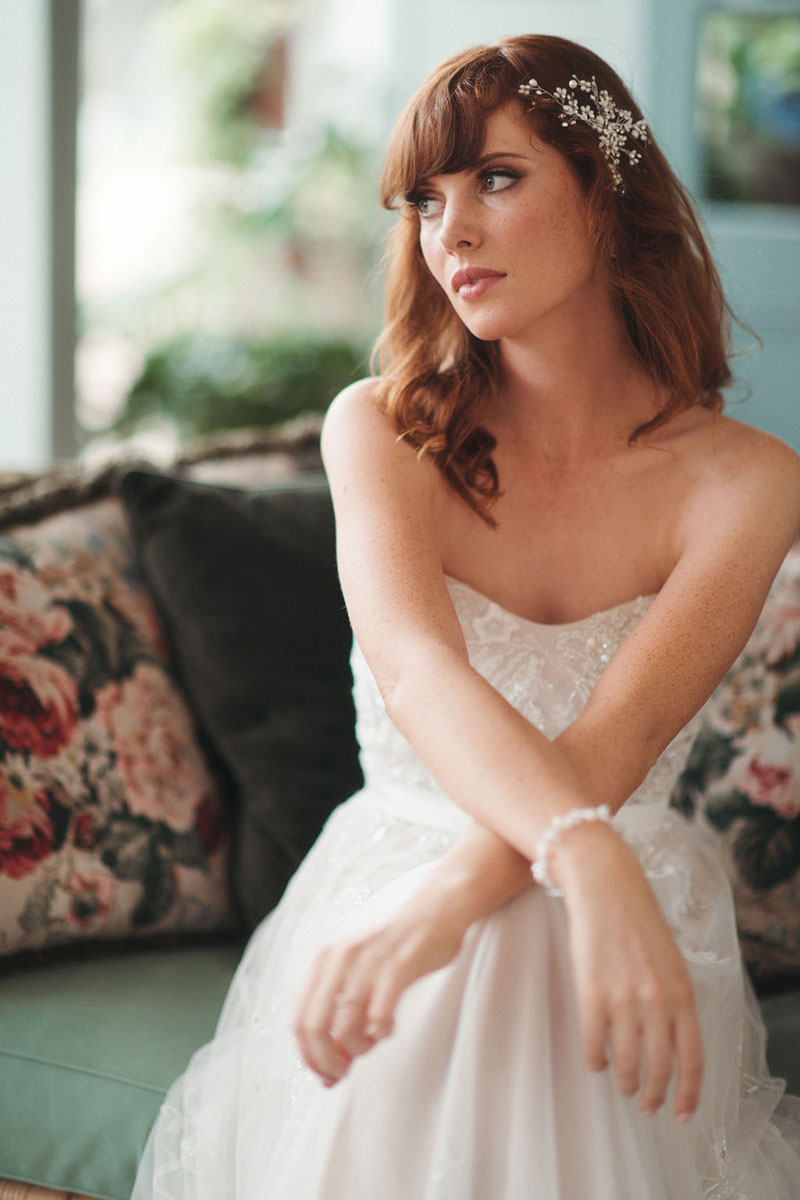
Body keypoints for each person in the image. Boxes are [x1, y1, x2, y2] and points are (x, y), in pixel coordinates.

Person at [132, 34, 800, 1199]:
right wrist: (555, 858)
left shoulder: (744, 481)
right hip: (395, 876)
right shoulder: (379, 430)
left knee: (515, 939)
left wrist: (505, 884)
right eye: (424, 200)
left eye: (496, 177)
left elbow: (615, 741)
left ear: (606, 192)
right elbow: (420, 678)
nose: (451, 232)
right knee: (487, 959)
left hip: (605, 893)